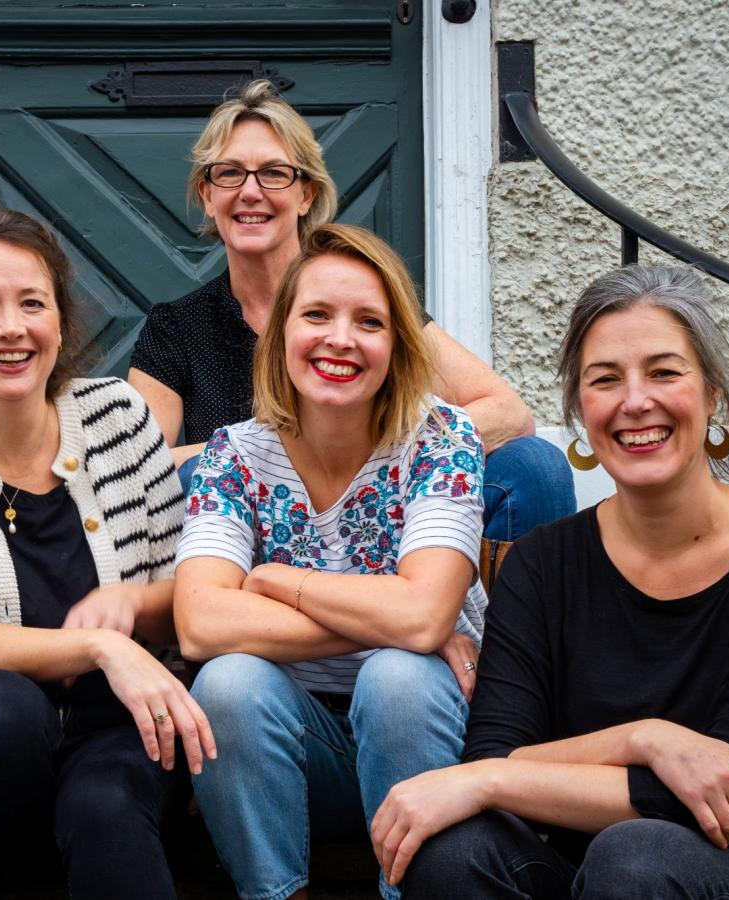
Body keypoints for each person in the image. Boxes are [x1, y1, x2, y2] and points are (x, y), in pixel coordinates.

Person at [372, 265, 729, 899]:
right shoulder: (543, 566)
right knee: (455, 851)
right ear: (580, 411)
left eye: (664, 372)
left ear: (711, 394)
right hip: (593, 881)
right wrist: (644, 739)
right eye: (605, 380)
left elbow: (723, 801)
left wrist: (485, 780)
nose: (635, 401)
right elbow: (498, 753)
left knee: (638, 854)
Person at [0, 196, 214, 900]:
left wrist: (131, 605)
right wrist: (102, 646)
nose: (11, 329)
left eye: (32, 303)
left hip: (117, 728)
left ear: (59, 320)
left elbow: (197, 586)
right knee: (2, 711)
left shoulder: (119, 417)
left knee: (106, 808)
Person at [174, 223, 488, 900]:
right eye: (316, 315)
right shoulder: (232, 455)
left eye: (368, 321)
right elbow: (199, 623)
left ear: (397, 342)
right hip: (293, 751)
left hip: (429, 740)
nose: (340, 339)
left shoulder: (440, 438)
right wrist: (405, 617)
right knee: (226, 684)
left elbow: (426, 617)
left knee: (400, 678)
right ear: (280, 332)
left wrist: (280, 582)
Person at [129, 78, 573, 540]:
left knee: (535, 466)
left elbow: (507, 413)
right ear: (207, 195)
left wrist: (370, 456)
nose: (250, 191)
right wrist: (272, 453)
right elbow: (136, 469)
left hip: (383, 511)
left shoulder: (365, 297)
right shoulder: (179, 327)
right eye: (229, 173)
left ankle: (514, 613)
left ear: (306, 194)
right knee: (194, 473)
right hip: (254, 527)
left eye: (275, 173)